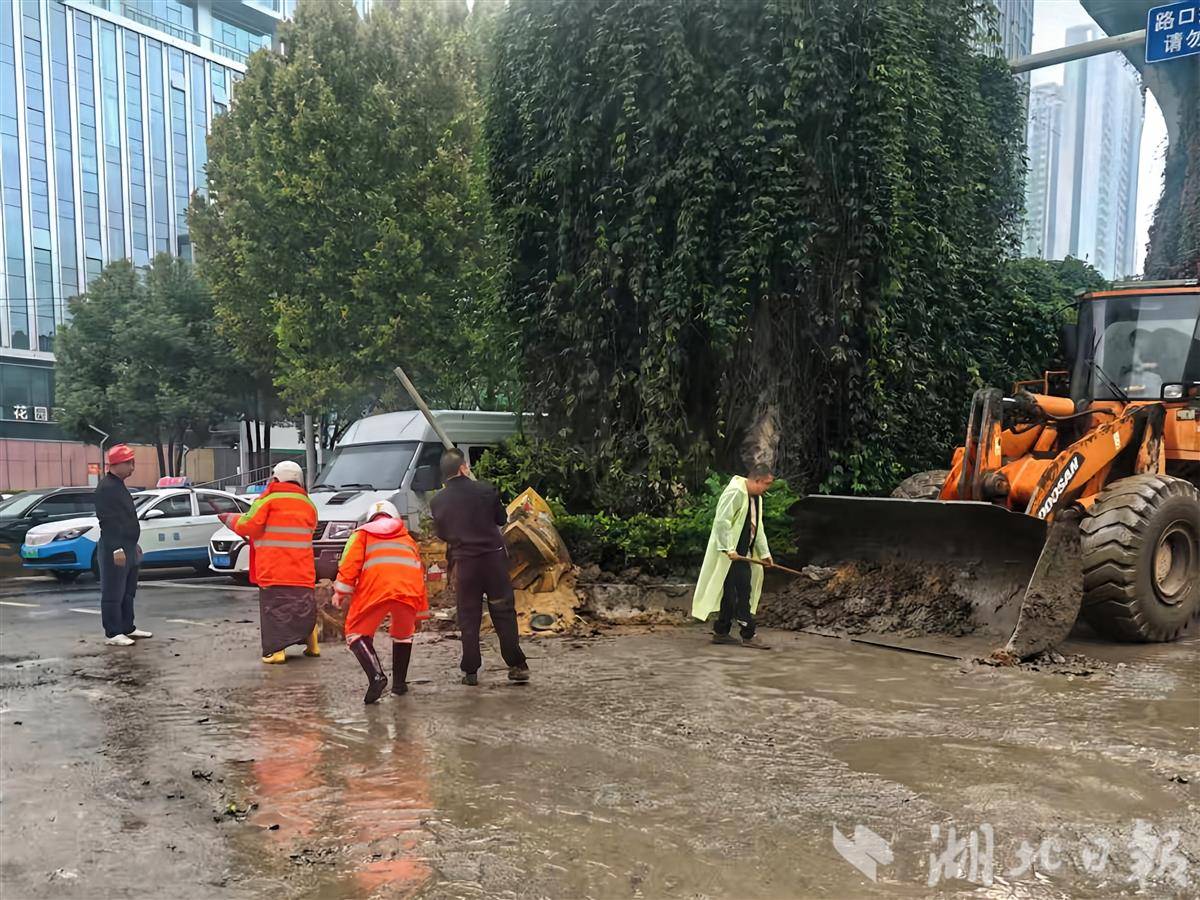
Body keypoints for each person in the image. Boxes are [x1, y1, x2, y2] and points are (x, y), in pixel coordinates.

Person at [429, 448, 530, 685]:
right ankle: (517, 664)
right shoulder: (485, 489)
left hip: (465, 565)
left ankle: (471, 671)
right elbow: (501, 519)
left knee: (469, 616)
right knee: (503, 611)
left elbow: (442, 533)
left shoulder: (438, 501)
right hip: (493, 561)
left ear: (445, 474)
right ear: (464, 467)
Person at [219, 461, 320, 664]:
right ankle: (312, 646)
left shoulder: (267, 500)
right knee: (303, 607)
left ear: (275, 478)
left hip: (275, 569)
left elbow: (249, 526)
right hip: (302, 569)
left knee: (276, 610)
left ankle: (276, 652)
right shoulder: (308, 504)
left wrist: (229, 519)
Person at [332, 500, 429, 704]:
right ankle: (399, 686)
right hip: (408, 592)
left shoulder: (362, 535)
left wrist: (340, 592)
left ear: (370, 519)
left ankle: (376, 676)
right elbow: (419, 576)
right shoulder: (408, 540)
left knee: (355, 631)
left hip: (375, 590)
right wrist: (419, 614)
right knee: (403, 635)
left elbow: (349, 565)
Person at [690, 464, 775, 650]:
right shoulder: (735, 492)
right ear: (757, 480)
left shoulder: (756, 498)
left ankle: (721, 631)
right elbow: (722, 521)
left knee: (730, 592)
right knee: (742, 591)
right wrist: (729, 548)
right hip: (732, 553)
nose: (767, 488)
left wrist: (765, 553)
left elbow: (757, 527)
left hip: (743, 552)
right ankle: (748, 634)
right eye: (766, 484)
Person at [94, 444, 152, 647]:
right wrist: (117, 548)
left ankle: (128, 626)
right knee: (113, 591)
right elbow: (108, 521)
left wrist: (133, 544)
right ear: (116, 464)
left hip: (129, 546)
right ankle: (113, 632)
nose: (132, 467)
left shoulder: (119, 485)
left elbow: (126, 519)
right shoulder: (106, 488)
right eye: (129, 463)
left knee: (128, 591)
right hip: (114, 548)